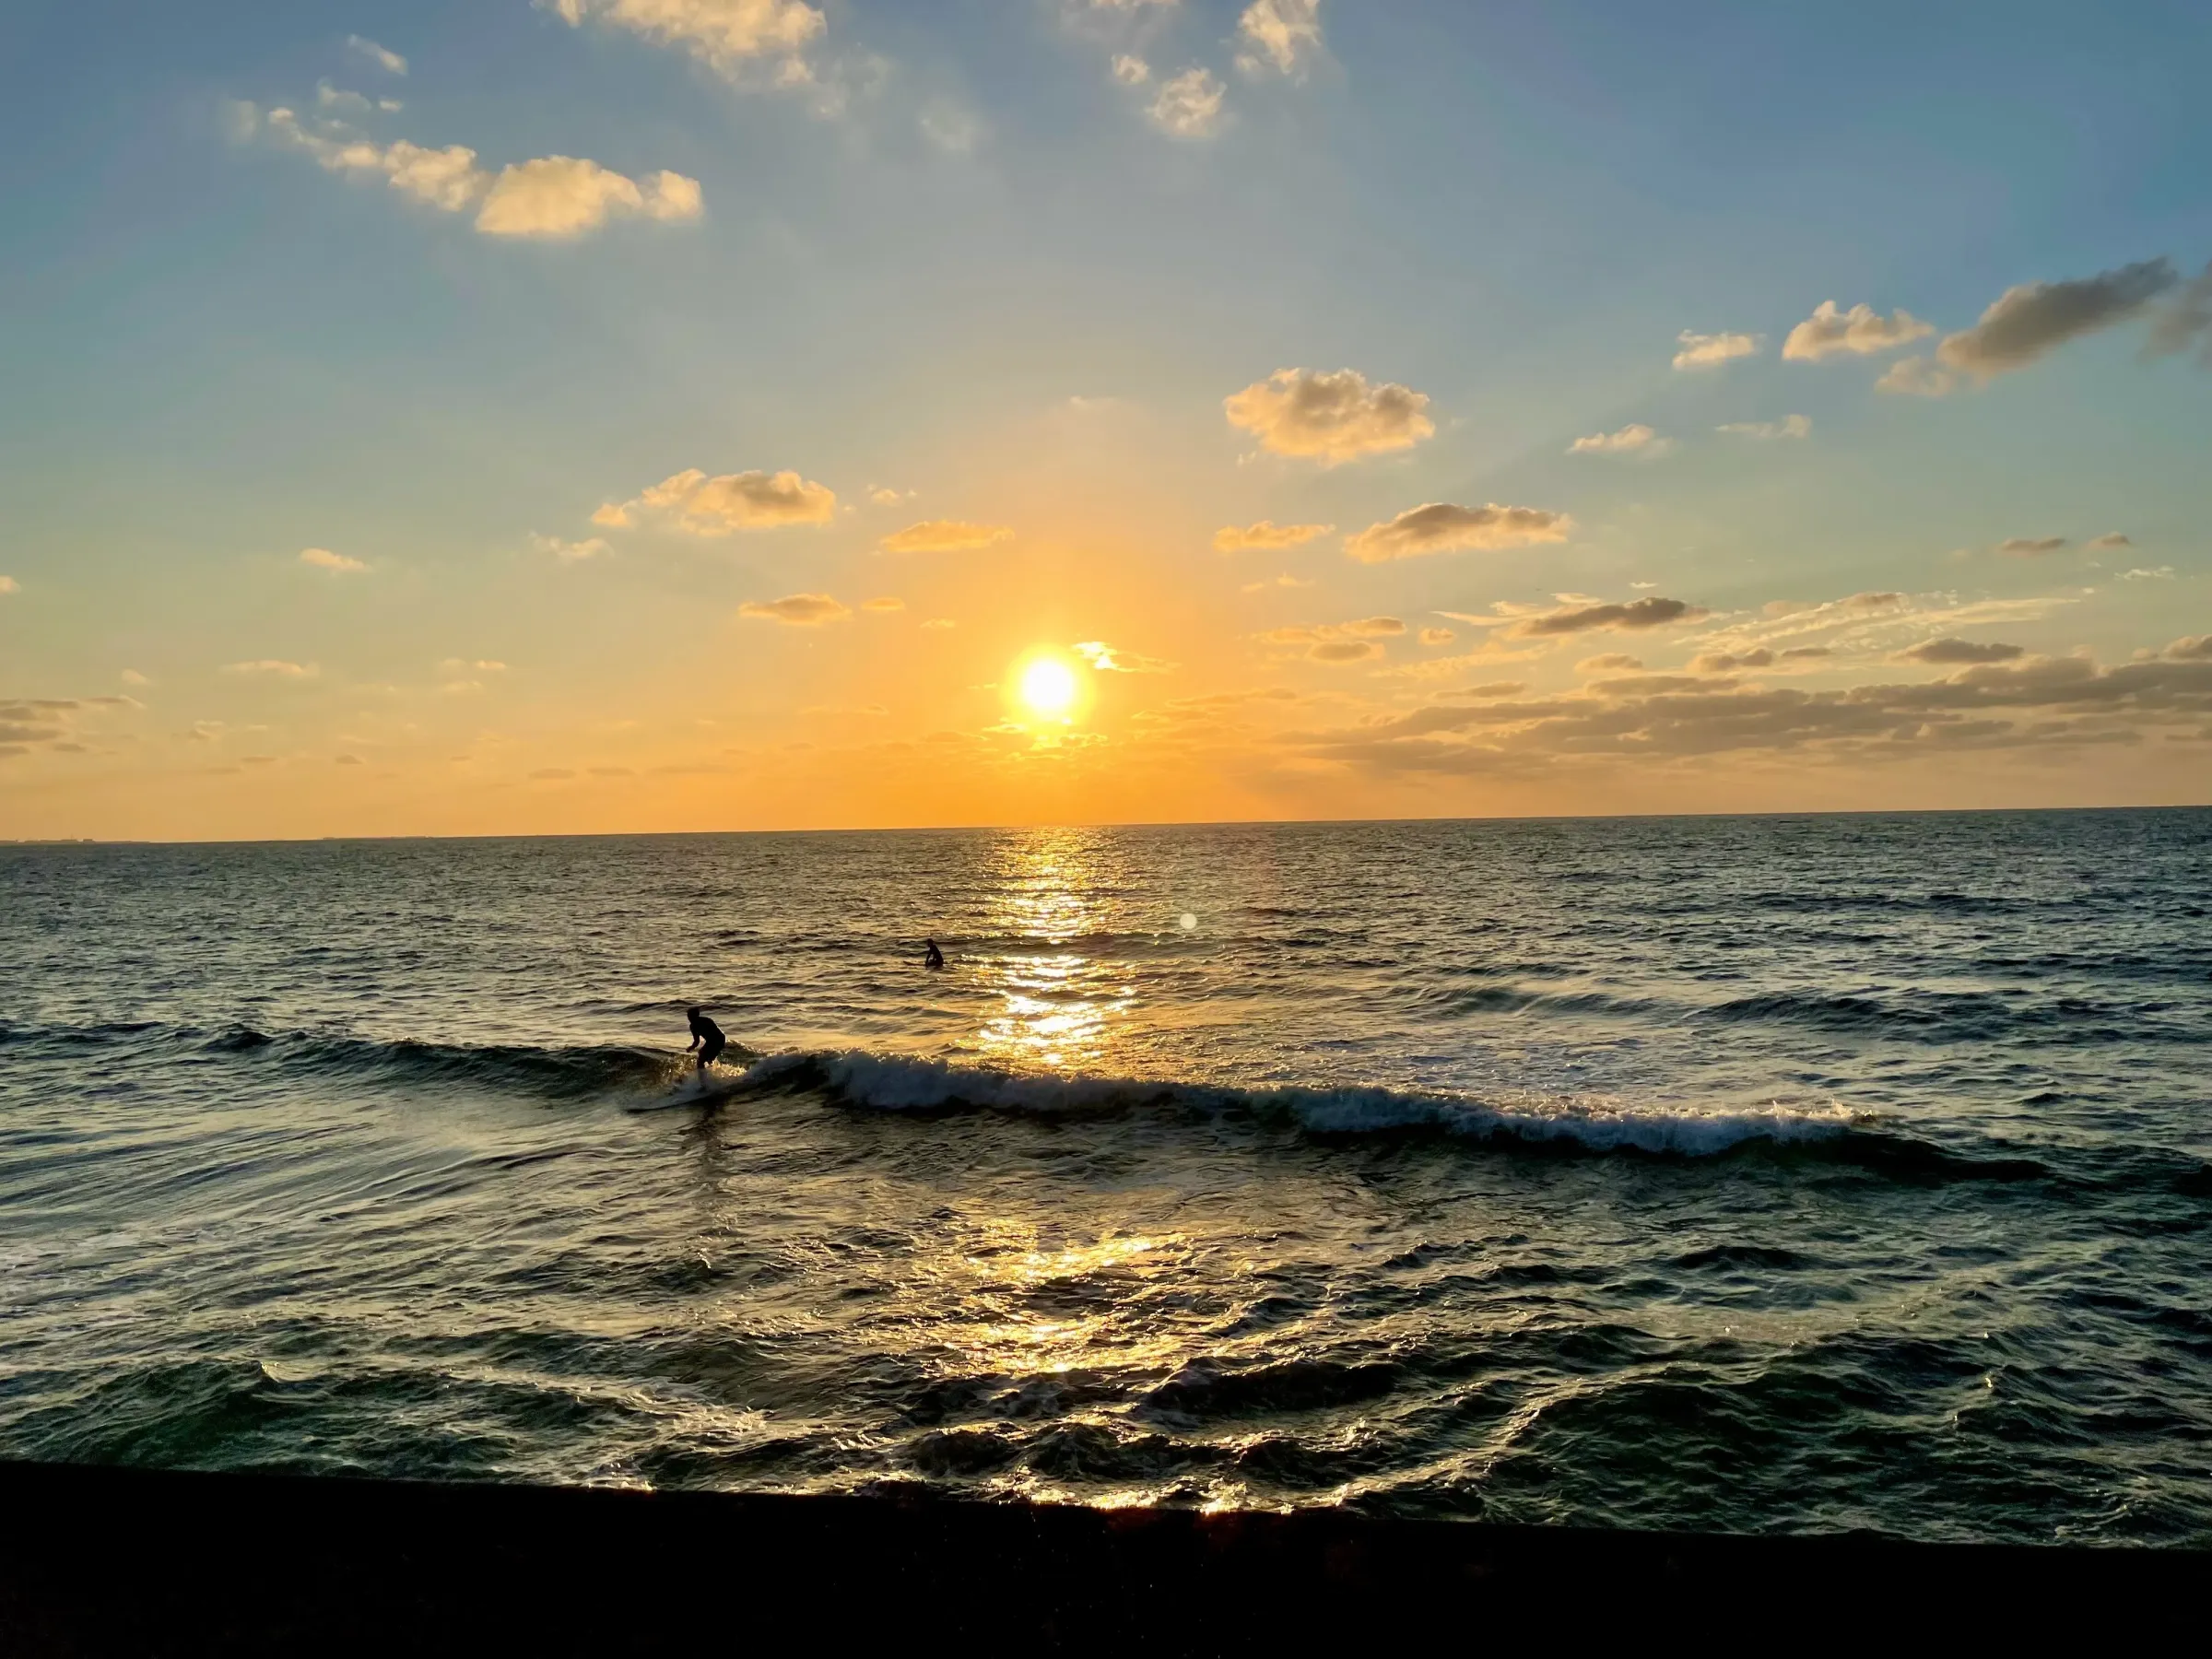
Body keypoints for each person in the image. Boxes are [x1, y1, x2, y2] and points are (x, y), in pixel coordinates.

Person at [685, 1006, 726, 1074]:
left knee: (702, 1057)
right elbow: (697, 1041)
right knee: (704, 1057)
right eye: (688, 1016)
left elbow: (715, 1034)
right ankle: (709, 1073)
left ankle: (705, 1076)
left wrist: (691, 1048)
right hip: (715, 1040)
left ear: (695, 1016)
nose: (689, 1018)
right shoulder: (694, 1025)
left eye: (690, 1016)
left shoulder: (705, 1021)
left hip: (718, 1039)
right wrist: (691, 1047)